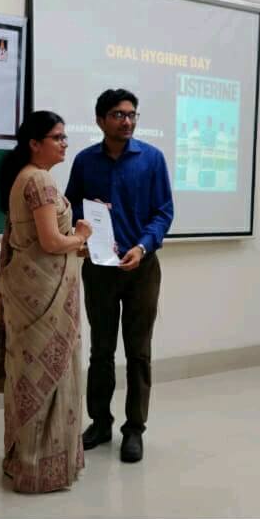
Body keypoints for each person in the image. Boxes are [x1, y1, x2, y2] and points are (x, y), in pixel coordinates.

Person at [0, 111, 92, 493]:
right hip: (44, 296)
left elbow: (37, 240)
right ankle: (41, 468)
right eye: (57, 137)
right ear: (34, 143)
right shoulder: (40, 180)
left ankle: (22, 461)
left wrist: (74, 244)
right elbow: (50, 241)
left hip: (29, 292)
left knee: (27, 376)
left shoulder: (24, 177)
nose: (64, 143)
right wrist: (81, 236)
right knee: (50, 376)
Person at [66, 89, 174, 464]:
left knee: (139, 352)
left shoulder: (152, 159)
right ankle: (100, 422)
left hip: (142, 267)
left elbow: (163, 212)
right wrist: (82, 233)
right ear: (100, 120)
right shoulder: (84, 161)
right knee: (101, 350)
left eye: (131, 115)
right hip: (99, 269)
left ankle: (134, 429)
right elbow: (71, 206)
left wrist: (142, 246)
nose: (126, 121)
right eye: (118, 115)